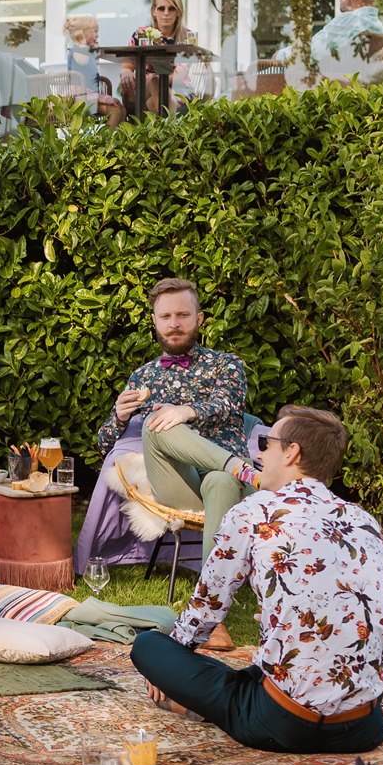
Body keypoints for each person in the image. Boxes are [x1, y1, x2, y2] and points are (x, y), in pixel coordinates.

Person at [132, 405, 383, 754]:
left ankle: (197, 704)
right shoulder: (364, 521)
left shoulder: (254, 513)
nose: (258, 452)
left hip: (286, 724)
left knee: (150, 647)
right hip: (365, 726)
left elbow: (205, 611)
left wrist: (168, 673)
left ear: (292, 452)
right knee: (260, 671)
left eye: (267, 442)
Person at [95, 277, 256, 646]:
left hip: (220, 485)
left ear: (199, 318)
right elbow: (104, 445)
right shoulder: (144, 376)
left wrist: (187, 410)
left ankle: (210, 615)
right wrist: (118, 419)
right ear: (154, 321)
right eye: (165, 316)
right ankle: (238, 465)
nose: (174, 323)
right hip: (176, 483)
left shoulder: (227, 365)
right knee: (154, 425)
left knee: (220, 481)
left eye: (183, 314)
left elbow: (227, 406)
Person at [309, 0, 383, 80]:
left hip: (328, 87)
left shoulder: (348, 21)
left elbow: (313, 52)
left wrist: (279, 55)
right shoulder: (377, 26)